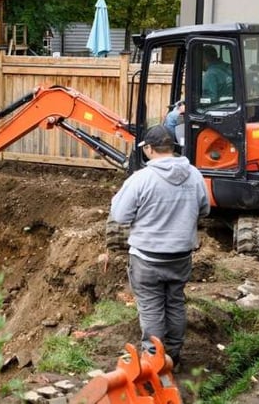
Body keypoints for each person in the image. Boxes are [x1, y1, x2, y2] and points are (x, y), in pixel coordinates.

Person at [108, 124, 210, 368]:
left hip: (147, 258)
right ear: (172, 148)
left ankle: (154, 358)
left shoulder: (141, 179)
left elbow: (120, 216)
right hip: (180, 256)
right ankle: (172, 355)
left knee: (151, 307)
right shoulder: (194, 175)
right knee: (175, 302)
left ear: (150, 149)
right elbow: (205, 209)